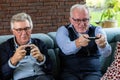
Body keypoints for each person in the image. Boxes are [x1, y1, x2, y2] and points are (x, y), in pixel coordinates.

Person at [56, 4, 112, 80]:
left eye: (85, 20)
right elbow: (66, 49)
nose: (82, 24)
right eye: (77, 20)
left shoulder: (97, 30)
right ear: (71, 20)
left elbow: (107, 53)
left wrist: (103, 46)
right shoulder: (63, 31)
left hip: (92, 72)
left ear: (90, 18)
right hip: (69, 73)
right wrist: (78, 43)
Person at [0, 12, 54, 80]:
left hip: (41, 77)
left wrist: (41, 58)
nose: (24, 33)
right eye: (19, 30)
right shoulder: (5, 47)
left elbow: (51, 69)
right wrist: (13, 60)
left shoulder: (39, 43)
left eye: (26, 28)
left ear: (31, 29)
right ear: (13, 31)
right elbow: (2, 75)